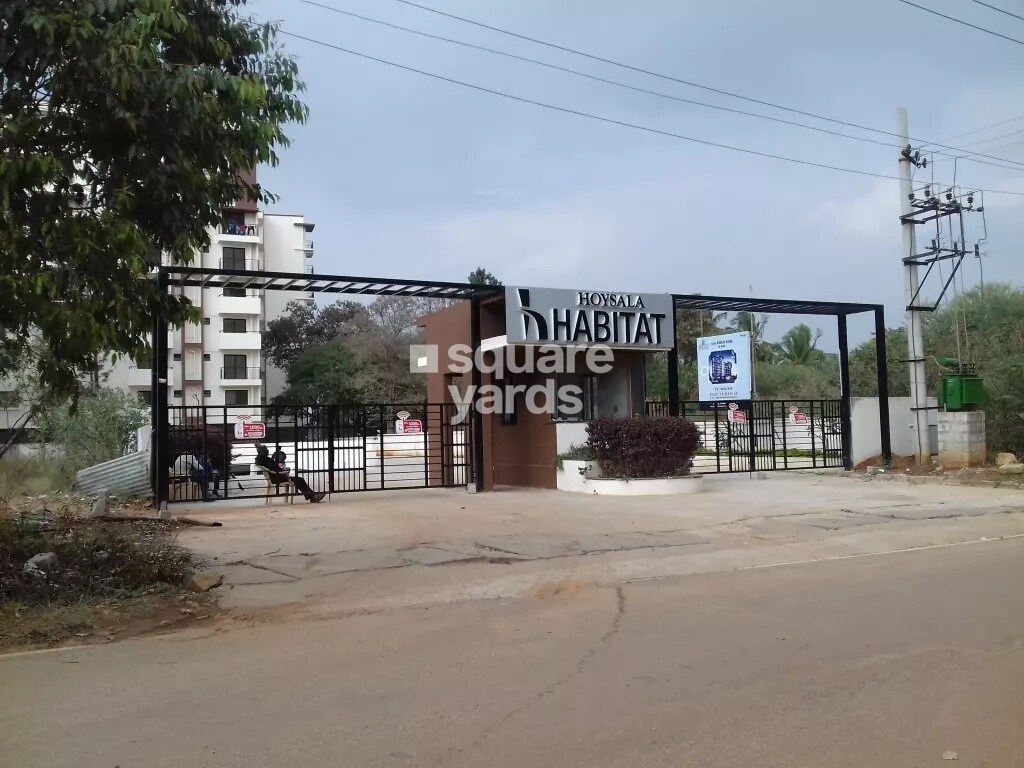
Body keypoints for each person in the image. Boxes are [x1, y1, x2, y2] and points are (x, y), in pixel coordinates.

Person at [254, 443, 325, 503]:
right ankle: (313, 496)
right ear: (263, 452)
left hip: (275, 476)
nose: (268, 451)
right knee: (299, 480)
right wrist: (284, 470)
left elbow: (273, 468)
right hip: (278, 477)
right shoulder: (266, 460)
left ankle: (312, 496)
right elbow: (274, 469)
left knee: (299, 480)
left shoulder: (260, 460)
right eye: (266, 450)